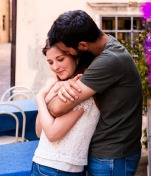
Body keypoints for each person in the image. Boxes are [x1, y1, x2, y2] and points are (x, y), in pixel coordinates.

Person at [46, 10, 143, 176]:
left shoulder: (109, 60)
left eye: (68, 52)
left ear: (83, 45)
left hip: (111, 158)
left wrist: (45, 96)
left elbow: (56, 108)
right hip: (111, 154)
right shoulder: (108, 46)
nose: (69, 56)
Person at [32, 41, 100, 175]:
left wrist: (40, 98)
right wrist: (45, 100)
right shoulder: (58, 86)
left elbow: (51, 134)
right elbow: (40, 132)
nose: (55, 67)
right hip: (48, 166)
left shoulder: (78, 89)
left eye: (60, 59)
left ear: (76, 57)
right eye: (50, 62)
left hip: (59, 169)